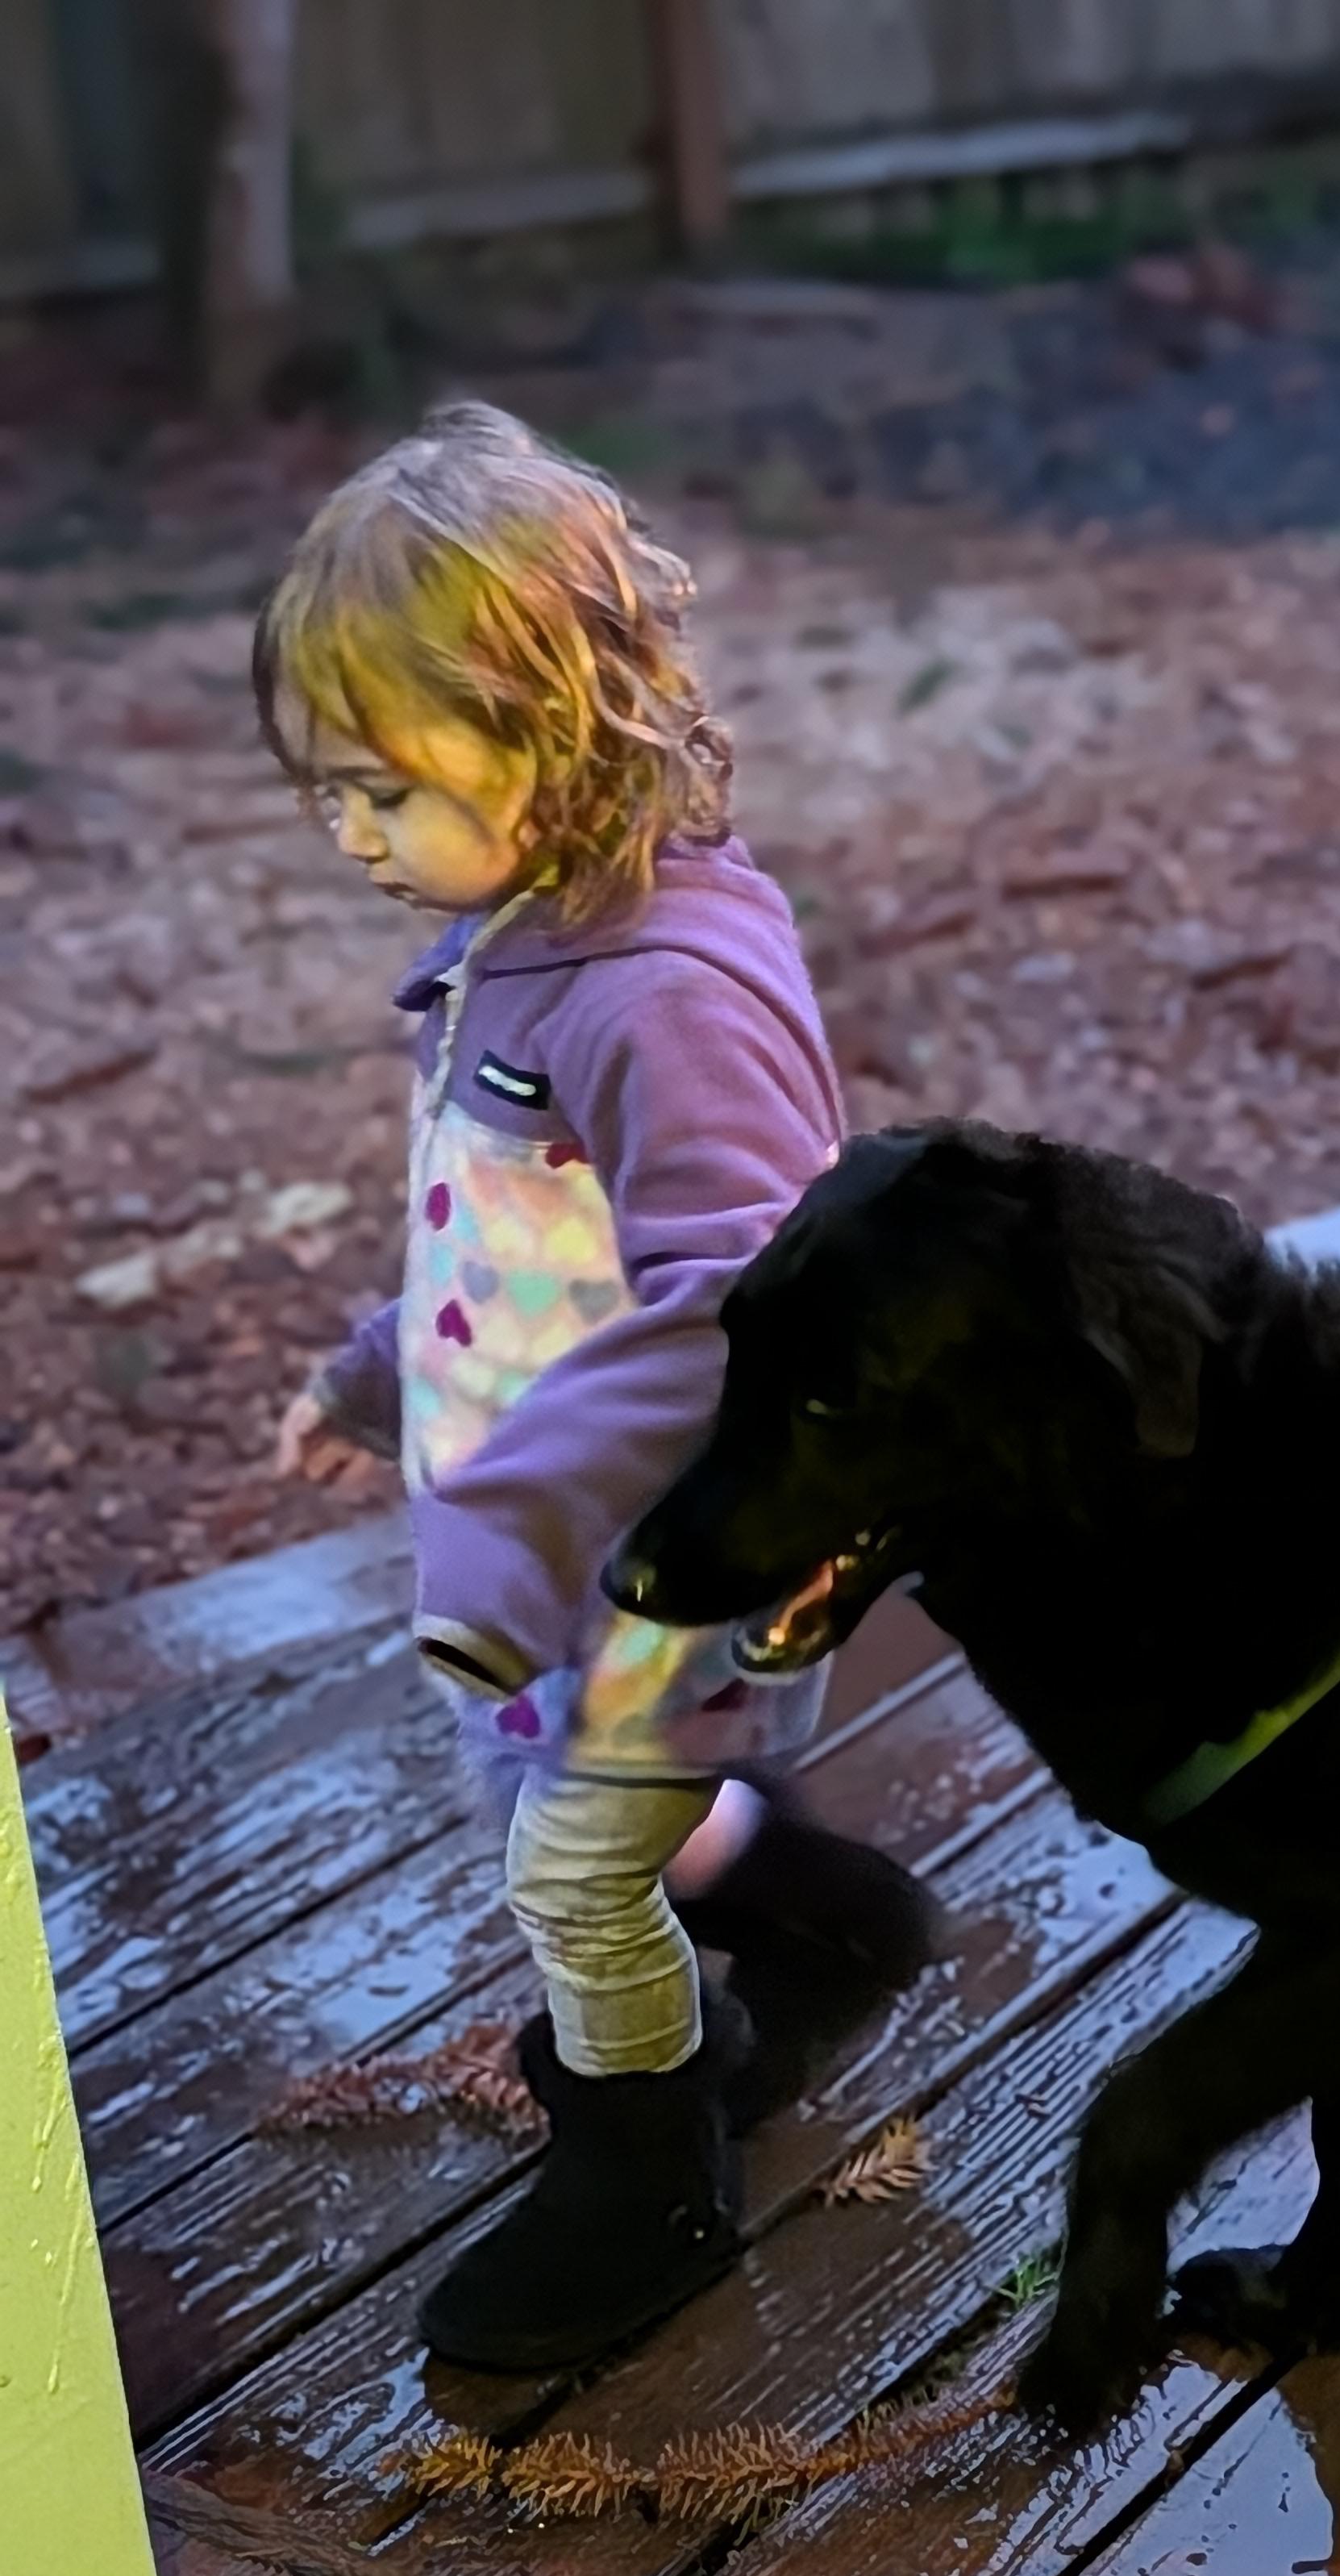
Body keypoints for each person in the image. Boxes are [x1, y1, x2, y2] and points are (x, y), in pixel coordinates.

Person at [263, 399, 939, 2374]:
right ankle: (821, 1921)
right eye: (336, 788)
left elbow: (750, 1312)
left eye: (386, 784)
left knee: (569, 1873)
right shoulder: (523, 942)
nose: (350, 830)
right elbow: (501, 1246)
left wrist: (500, 1542)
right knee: (564, 1802)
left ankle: (639, 2170)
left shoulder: (659, 995)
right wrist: (384, 1378)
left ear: (552, 730)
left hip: (668, 1558)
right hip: (565, 1544)